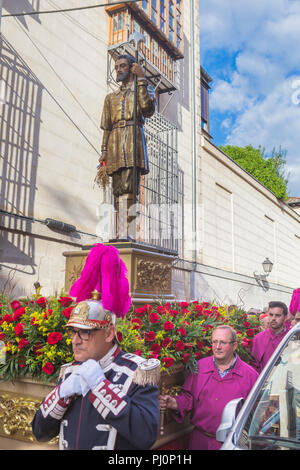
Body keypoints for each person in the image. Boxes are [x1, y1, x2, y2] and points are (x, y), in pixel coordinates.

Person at [32, 244, 160, 450]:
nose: (75, 340)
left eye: (85, 332)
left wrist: (100, 386)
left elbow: (146, 435)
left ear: (109, 333)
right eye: (73, 332)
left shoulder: (138, 371)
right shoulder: (70, 371)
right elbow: (40, 432)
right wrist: (61, 394)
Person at [159, 325, 258, 450]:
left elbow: (256, 414)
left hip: (231, 444)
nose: (217, 347)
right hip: (200, 441)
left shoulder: (250, 375)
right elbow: (189, 398)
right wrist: (174, 402)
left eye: (223, 342)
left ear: (234, 345)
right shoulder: (200, 367)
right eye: (214, 342)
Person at [99, 54, 156, 199]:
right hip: (115, 143)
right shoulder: (110, 97)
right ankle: (122, 221)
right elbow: (107, 126)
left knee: (129, 188)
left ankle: (127, 222)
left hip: (133, 139)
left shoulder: (144, 88)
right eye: (116, 67)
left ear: (132, 69)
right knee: (117, 191)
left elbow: (147, 109)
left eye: (122, 66)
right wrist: (104, 151)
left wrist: (142, 79)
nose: (118, 70)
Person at [250, 301, 290, 374]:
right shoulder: (258, 338)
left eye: (278, 315)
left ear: (285, 317)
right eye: (271, 315)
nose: (273, 318)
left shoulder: (292, 337)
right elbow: (253, 366)